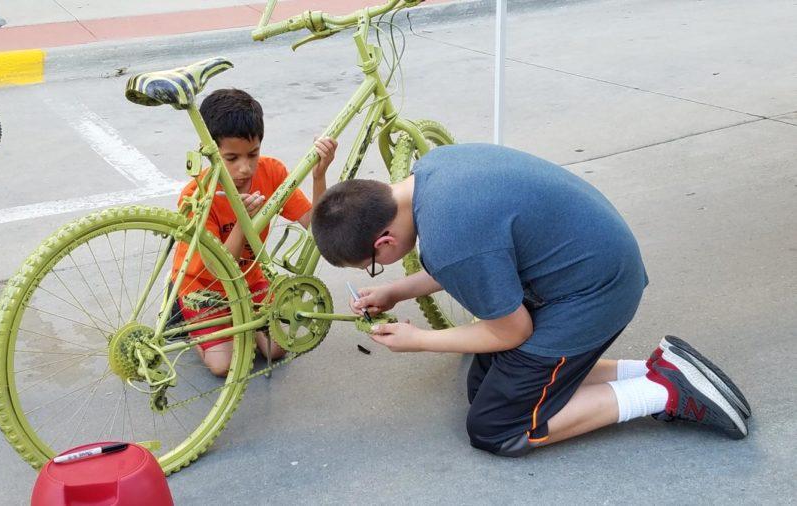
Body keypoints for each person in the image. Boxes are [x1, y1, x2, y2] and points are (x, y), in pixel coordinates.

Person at [310, 143, 750, 456]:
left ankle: (663, 390)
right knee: (484, 387)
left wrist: (418, 339)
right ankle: (654, 368)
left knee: (497, 428)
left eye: (374, 267)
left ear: (384, 241)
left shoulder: (450, 238)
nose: (380, 270)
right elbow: (478, 257)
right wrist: (394, 290)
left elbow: (509, 329)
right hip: (585, 269)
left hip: (592, 295)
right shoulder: (433, 172)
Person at [170, 88, 337, 377]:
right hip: (203, 288)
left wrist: (319, 175)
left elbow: (316, 223)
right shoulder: (197, 195)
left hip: (249, 281)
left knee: (277, 349)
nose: (244, 168)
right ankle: (184, 319)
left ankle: (238, 326)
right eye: (231, 158)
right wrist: (242, 222)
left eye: (253, 154)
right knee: (223, 366)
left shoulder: (271, 172)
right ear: (209, 151)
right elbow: (218, 268)